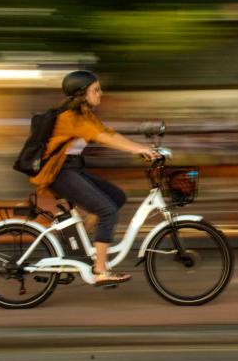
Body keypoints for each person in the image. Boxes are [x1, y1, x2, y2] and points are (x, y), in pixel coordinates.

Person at [30, 70, 160, 286]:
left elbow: (109, 133)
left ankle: (76, 247)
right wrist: (138, 150)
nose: (101, 93)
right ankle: (100, 270)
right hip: (59, 172)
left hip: (71, 169)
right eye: (96, 89)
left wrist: (143, 148)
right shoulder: (70, 117)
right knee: (106, 210)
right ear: (82, 93)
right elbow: (103, 138)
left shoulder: (84, 114)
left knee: (116, 197)